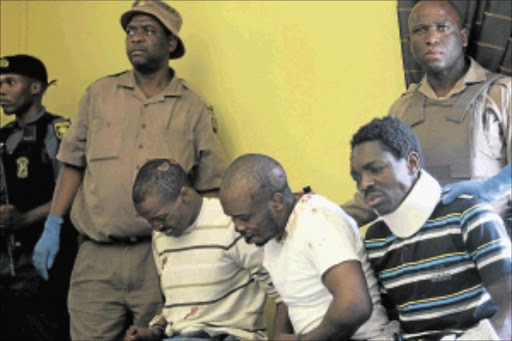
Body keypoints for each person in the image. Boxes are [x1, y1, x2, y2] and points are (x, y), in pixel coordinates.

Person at [32, 1, 228, 339]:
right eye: (131, 31)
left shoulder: (192, 107)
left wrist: (203, 251)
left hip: (161, 257)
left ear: (171, 44)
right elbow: (72, 165)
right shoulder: (99, 94)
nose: (136, 38)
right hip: (96, 257)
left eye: (148, 31)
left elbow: (210, 187)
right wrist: (52, 224)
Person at [343, 0, 511, 230]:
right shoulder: (401, 110)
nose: (431, 39)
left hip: (491, 247)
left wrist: (493, 189)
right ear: (411, 43)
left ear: (463, 37)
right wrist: (316, 214)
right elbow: (380, 192)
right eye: (421, 30)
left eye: (442, 28)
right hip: (423, 255)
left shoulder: (501, 94)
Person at [350, 117, 511, 339]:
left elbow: (510, 311)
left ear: (412, 163)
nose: (364, 184)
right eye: (356, 177)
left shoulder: (468, 215)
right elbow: (389, 321)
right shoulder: (376, 239)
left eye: (375, 169)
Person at [219, 154, 398, 341]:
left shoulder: (315, 218)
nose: (238, 227)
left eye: (244, 218)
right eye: (233, 218)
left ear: (277, 203)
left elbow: (355, 305)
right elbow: (295, 295)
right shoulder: (273, 234)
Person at [125, 158, 280, 341]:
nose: (156, 227)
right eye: (150, 221)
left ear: (185, 195)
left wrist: (281, 336)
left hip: (229, 335)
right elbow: (178, 307)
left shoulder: (232, 223)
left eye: (161, 218)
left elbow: (282, 293)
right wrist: (153, 331)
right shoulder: (161, 236)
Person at [0, 54, 77, 340]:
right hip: (8, 270)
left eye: (10, 82)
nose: (1, 90)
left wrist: (25, 219)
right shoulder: (4, 135)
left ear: (35, 87)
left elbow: (71, 190)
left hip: (45, 270)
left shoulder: (56, 131)